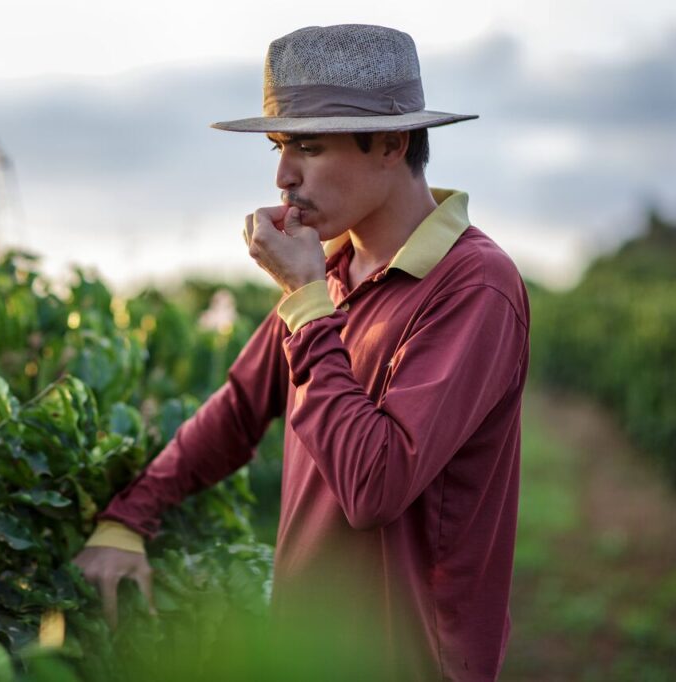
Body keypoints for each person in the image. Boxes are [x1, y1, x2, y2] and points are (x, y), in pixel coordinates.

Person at [73, 24, 529, 681]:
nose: (283, 176)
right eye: (282, 147)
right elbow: (238, 410)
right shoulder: (335, 268)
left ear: (393, 144)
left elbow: (375, 487)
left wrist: (307, 300)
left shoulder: (473, 286)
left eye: (309, 149)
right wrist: (127, 518)